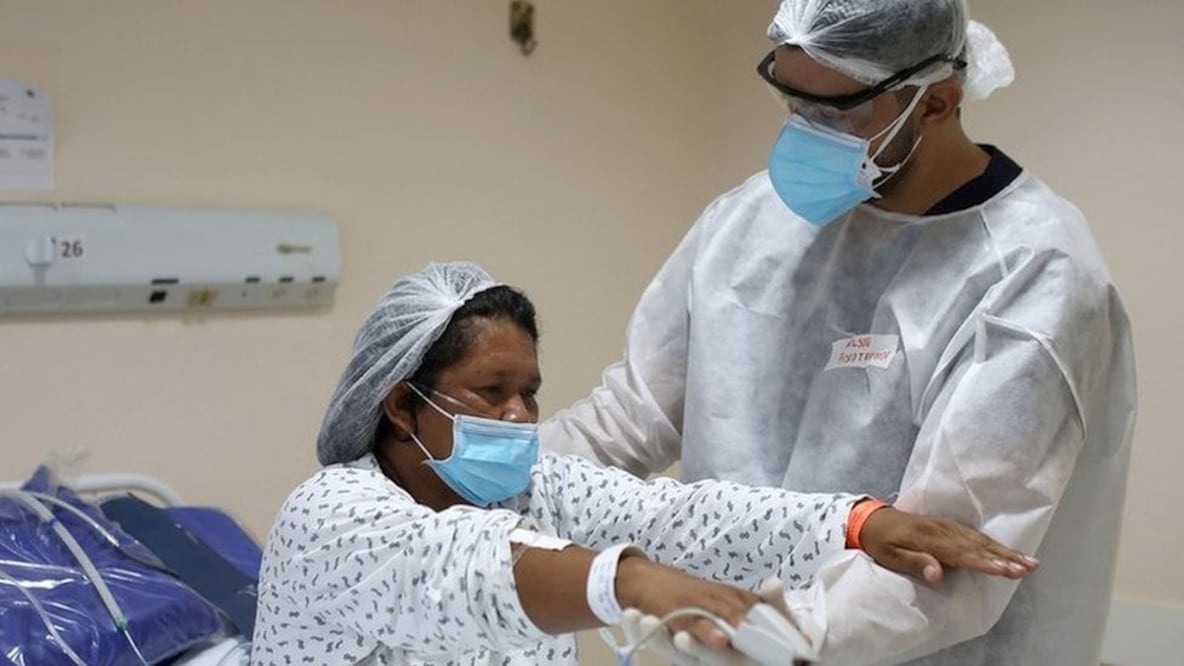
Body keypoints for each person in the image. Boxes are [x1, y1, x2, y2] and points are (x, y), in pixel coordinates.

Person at [541, 1, 1136, 664]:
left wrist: (757, 637)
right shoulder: (749, 223)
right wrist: (483, 487)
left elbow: (943, 559)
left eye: (836, 111)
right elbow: (629, 417)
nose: (805, 131)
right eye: (792, 101)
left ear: (936, 103)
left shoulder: (1034, 275)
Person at [250, 261, 1037, 666]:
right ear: (399, 405)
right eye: (491, 393)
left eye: (530, 393)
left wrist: (860, 522)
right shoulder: (332, 518)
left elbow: (672, 515)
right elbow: (472, 570)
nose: (521, 419)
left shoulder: (530, 486)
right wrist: (638, 585)